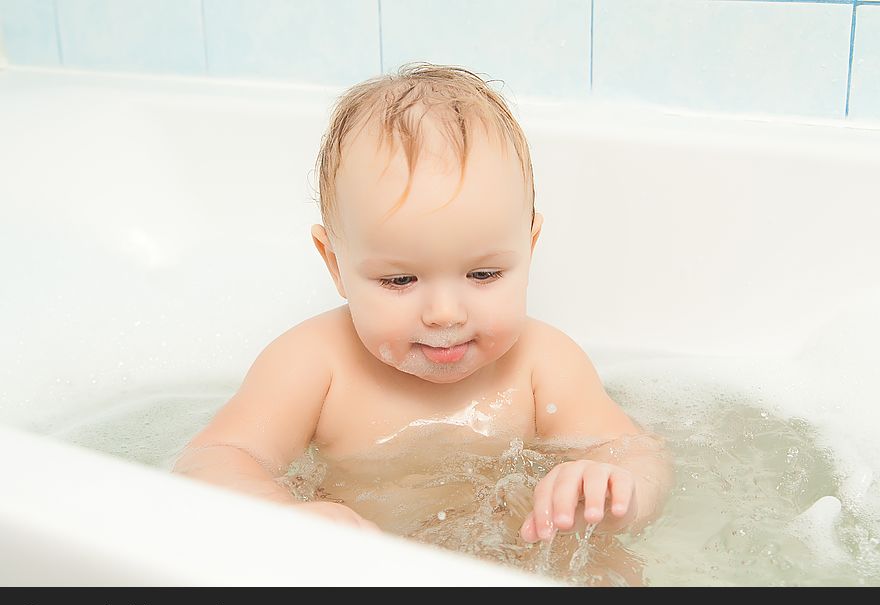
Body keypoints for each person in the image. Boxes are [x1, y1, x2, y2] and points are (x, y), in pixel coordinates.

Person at [173, 62, 673, 547]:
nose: (444, 314)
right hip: (371, 572)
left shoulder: (544, 364)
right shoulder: (312, 364)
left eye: (484, 274)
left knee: (604, 563)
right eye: (399, 279)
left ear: (530, 245)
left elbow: (636, 454)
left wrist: (612, 487)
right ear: (334, 264)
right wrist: (282, 514)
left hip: (516, 554)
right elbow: (214, 458)